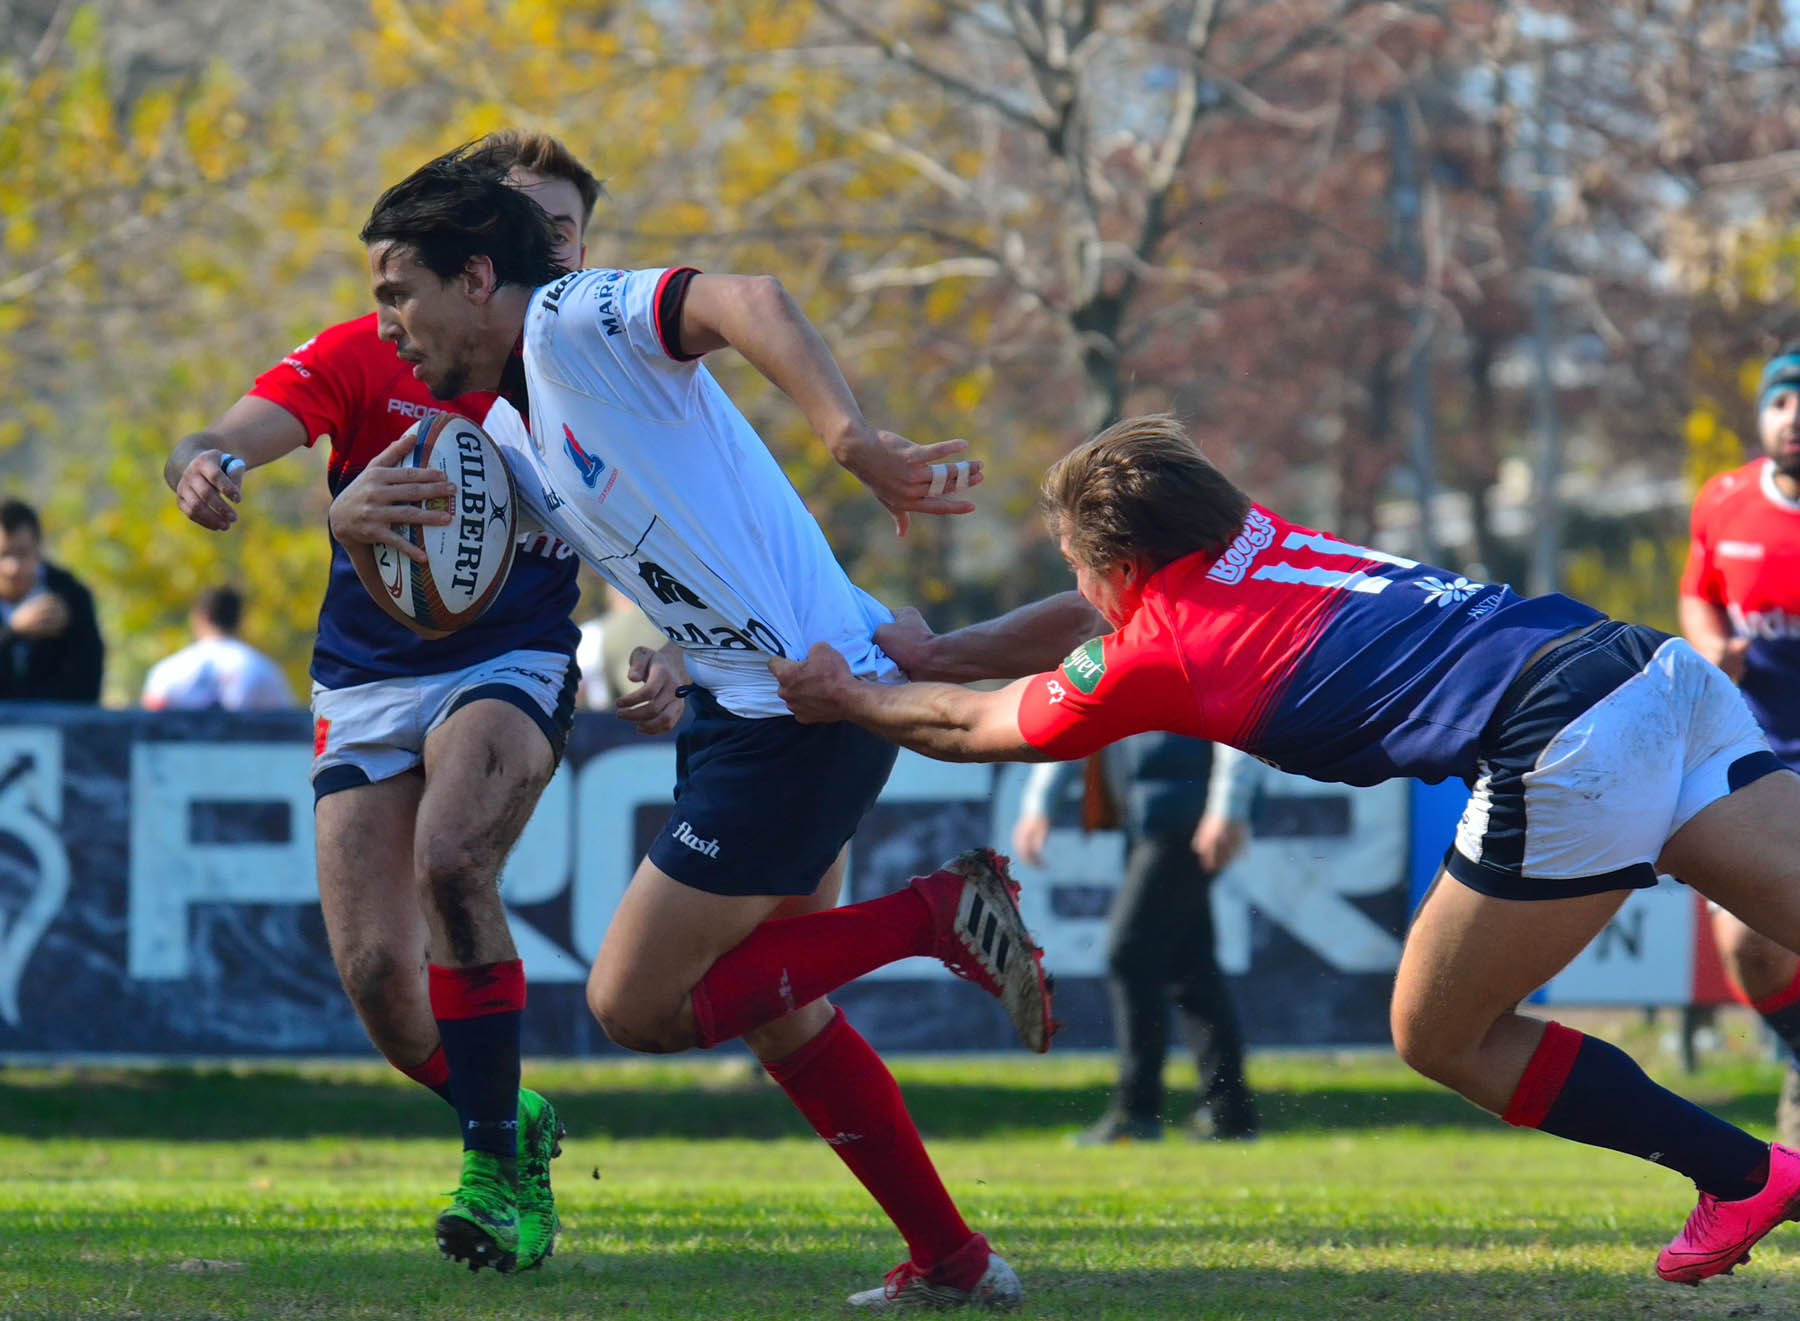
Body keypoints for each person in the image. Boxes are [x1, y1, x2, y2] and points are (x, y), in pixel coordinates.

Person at [772, 412, 1800, 1287]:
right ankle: (1750, 1174)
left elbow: (972, 728)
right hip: (1650, 668)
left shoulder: (1160, 648)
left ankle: (1741, 1172)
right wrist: (943, 650)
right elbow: (1083, 621)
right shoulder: (1254, 536)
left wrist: (850, 694)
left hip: (1563, 736)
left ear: (1123, 568)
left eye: (1083, 567)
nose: (1082, 587)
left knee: (1442, 1032)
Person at [328, 145, 1052, 1310]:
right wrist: (351, 518)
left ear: (474, 277)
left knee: (638, 1004)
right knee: (783, 1014)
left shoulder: (567, 317)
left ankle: (934, 913)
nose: (388, 323)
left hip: (799, 711)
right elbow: (648, 536)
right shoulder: (510, 423)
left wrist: (851, 435)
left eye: (395, 293)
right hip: (746, 701)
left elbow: (746, 300)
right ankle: (957, 1263)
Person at [162, 131, 610, 1275]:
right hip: (365, 677)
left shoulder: (588, 359)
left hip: (509, 659)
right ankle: (508, 1115)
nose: (549, 246)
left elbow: (648, 516)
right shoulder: (378, 344)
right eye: (531, 223)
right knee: (376, 979)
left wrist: (666, 651)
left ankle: (496, 1175)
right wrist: (211, 464)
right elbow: (235, 429)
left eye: (566, 229)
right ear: (478, 244)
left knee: (454, 858)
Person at [1011, 733, 1257, 1144]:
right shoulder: (1110, 665)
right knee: (1190, 968)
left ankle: (1137, 1112)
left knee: (1130, 954)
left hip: (1184, 824)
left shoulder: (1189, 666)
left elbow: (1234, 733)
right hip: (1146, 822)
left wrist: (1226, 809)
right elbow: (1077, 716)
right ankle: (1229, 1114)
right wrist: (1039, 805)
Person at [1681, 343, 1800, 1148]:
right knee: (1748, 945)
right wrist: (1712, 641)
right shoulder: (1722, 500)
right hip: (1752, 752)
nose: (1795, 418)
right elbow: (1698, 594)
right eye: (1784, 399)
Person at [0, 498, 104, 703]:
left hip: (52, 728)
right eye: (3, 555)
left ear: (38, 548)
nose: (12, 568)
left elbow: (89, 682)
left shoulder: (71, 595)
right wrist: (13, 632)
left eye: (22, 553)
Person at [141, 585, 297, 711]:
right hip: (243, 749)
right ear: (240, 620)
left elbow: (149, 727)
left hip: (184, 749)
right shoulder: (263, 670)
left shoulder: (167, 671)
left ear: (201, 616)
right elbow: (287, 728)